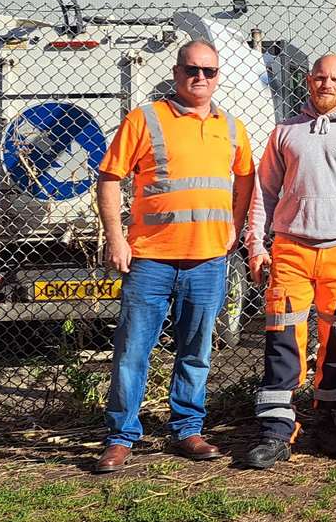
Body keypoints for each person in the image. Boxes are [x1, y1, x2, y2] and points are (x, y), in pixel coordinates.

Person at [93, 40, 256, 473]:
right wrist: (116, 238)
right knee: (132, 351)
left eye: (209, 71)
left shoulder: (232, 127)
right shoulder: (145, 119)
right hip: (150, 259)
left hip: (207, 261)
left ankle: (187, 428)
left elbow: (246, 181)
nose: (200, 78)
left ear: (218, 75)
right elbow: (109, 179)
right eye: (192, 70)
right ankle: (121, 436)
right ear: (177, 71)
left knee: (196, 349)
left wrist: (233, 231)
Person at [240, 54, 336, 469]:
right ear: (308, 81)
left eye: (335, 79)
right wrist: (256, 245)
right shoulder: (285, 132)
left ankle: (333, 423)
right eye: (320, 77)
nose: (326, 84)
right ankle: (275, 431)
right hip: (290, 250)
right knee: (283, 341)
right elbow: (263, 194)